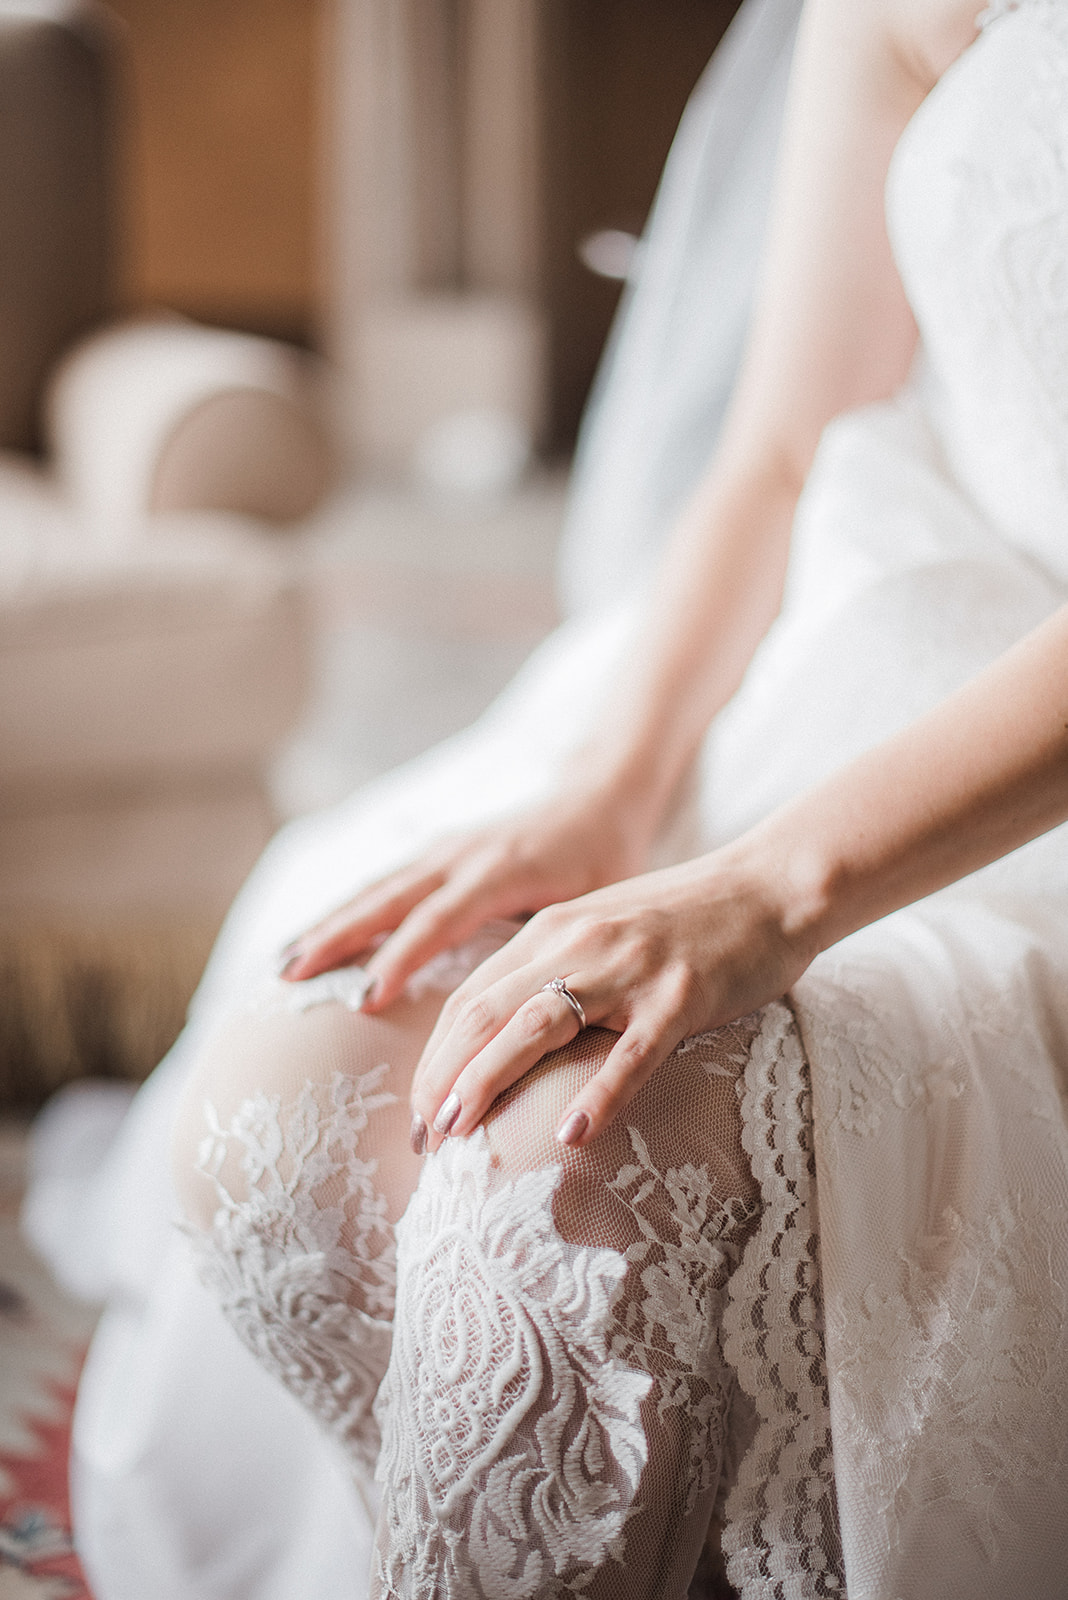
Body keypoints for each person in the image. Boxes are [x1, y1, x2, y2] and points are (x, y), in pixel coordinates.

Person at [27, 0, 1068, 1594]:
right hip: (872, 638)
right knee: (293, 1106)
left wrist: (777, 890)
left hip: (1013, 805)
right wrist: (619, 789)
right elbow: (786, 448)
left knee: (564, 1183)